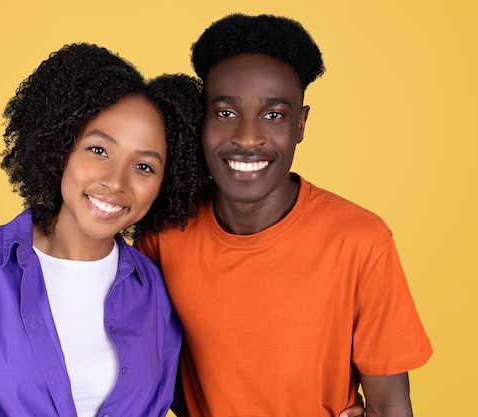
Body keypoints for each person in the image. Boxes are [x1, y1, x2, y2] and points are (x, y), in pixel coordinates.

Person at [136, 14, 433, 417]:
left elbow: (390, 405)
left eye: (273, 114)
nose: (247, 138)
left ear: (301, 124)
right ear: (201, 120)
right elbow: (153, 374)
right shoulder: (164, 235)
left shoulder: (361, 241)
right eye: (225, 112)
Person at [0, 43, 209, 417]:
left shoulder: (155, 293)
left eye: (144, 167)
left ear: (166, 183)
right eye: (98, 150)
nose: (115, 181)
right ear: (62, 147)